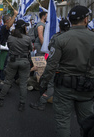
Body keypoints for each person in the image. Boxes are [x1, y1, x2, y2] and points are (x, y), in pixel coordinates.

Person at [39, 6, 94, 137]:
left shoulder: (61, 39)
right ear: (86, 20)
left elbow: (51, 65)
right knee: (87, 123)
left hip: (64, 88)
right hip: (87, 88)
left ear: (69, 20)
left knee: (63, 122)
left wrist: (43, 83)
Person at [30, 18, 71, 111]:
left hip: (58, 65)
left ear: (59, 27)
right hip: (71, 67)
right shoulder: (75, 38)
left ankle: (41, 102)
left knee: (51, 85)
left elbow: (50, 48)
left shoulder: (56, 37)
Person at [0, 20, 32, 112]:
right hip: (24, 61)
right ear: (23, 27)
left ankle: (0, 99)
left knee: (8, 81)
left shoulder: (11, 38)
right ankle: (22, 104)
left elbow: (10, 47)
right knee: (23, 84)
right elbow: (30, 49)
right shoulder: (27, 38)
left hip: (13, 60)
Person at [0, 10, 18, 83]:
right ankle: (2, 79)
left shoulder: (7, 28)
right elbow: (8, 26)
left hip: (8, 48)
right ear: (7, 21)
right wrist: (14, 15)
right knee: (3, 64)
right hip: (4, 49)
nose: (12, 21)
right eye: (10, 20)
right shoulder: (4, 27)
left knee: (7, 64)